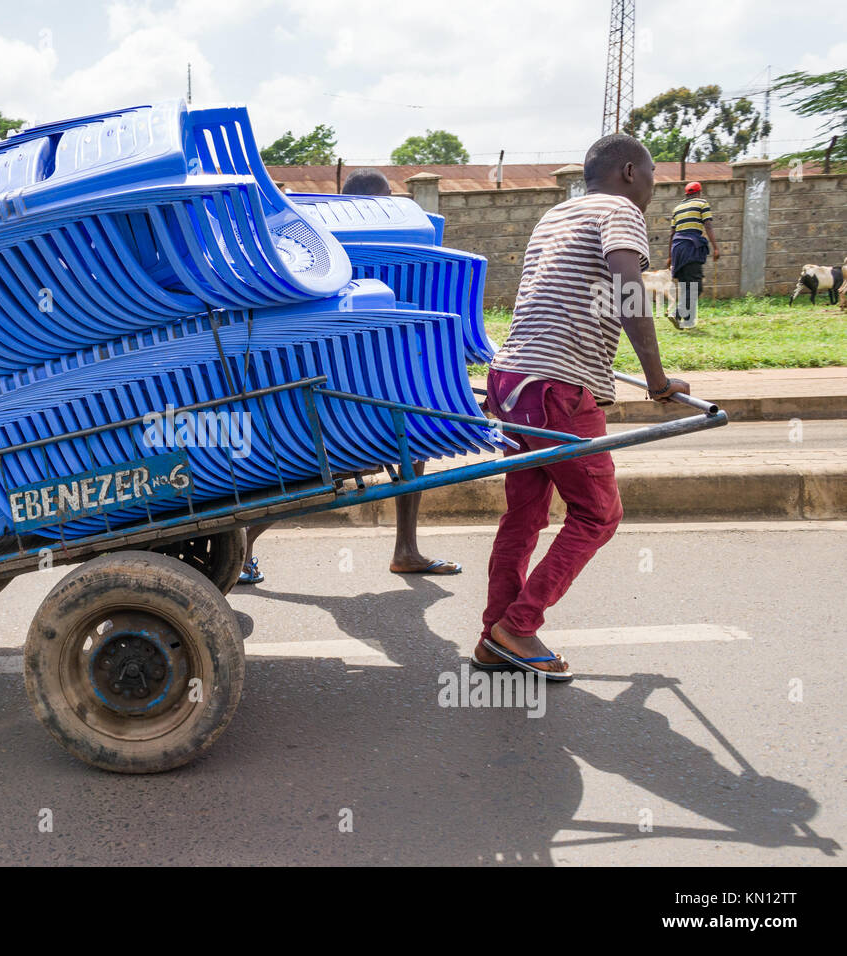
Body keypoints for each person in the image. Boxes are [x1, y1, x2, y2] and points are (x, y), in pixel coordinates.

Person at [473, 134, 689, 680]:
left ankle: (493, 637)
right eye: (652, 178)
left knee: (524, 516)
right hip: (557, 390)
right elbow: (629, 287)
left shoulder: (555, 214)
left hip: (510, 380)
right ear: (627, 172)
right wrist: (657, 380)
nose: (651, 191)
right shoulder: (620, 210)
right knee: (598, 513)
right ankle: (517, 627)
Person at [239, 167, 462, 585]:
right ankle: (246, 547)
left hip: (350, 372)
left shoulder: (316, 237)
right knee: (333, 465)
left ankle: (406, 550)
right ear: (372, 206)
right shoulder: (364, 243)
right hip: (352, 377)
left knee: (399, 448)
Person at [667, 181, 719, 329]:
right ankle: (677, 313)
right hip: (691, 247)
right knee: (696, 286)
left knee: (686, 286)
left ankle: (689, 322)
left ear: (686, 194)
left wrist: (670, 257)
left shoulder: (677, 209)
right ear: (699, 192)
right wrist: (716, 248)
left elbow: (671, 234)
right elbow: (708, 225)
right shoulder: (702, 203)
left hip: (677, 249)